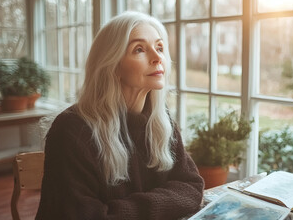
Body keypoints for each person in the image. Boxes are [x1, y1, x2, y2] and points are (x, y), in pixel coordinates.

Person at [36, 12, 204, 220]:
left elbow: (192, 187)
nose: (157, 57)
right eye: (139, 49)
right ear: (112, 65)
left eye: (160, 47)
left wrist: (122, 211)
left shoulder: (160, 120)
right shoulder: (71, 130)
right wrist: (164, 204)